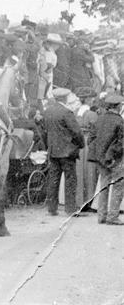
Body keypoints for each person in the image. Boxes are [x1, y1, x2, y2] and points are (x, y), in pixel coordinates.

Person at [43, 88, 86, 216]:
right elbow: (77, 132)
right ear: (65, 98)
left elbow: (45, 131)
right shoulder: (67, 112)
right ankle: (70, 209)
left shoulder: (48, 112)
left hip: (53, 151)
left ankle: (52, 208)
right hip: (67, 152)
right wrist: (81, 144)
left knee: (53, 180)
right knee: (70, 180)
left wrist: (48, 146)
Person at [88, 94, 124, 225]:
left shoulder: (99, 119)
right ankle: (113, 216)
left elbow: (91, 139)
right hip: (115, 159)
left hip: (100, 159)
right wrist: (113, 155)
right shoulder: (120, 121)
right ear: (118, 106)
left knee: (104, 185)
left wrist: (99, 153)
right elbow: (121, 143)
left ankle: (101, 216)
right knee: (119, 185)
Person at [38, 33, 63, 98]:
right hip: (47, 73)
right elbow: (48, 65)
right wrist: (48, 70)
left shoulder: (51, 51)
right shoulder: (48, 52)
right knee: (46, 91)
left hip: (48, 73)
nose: (58, 46)